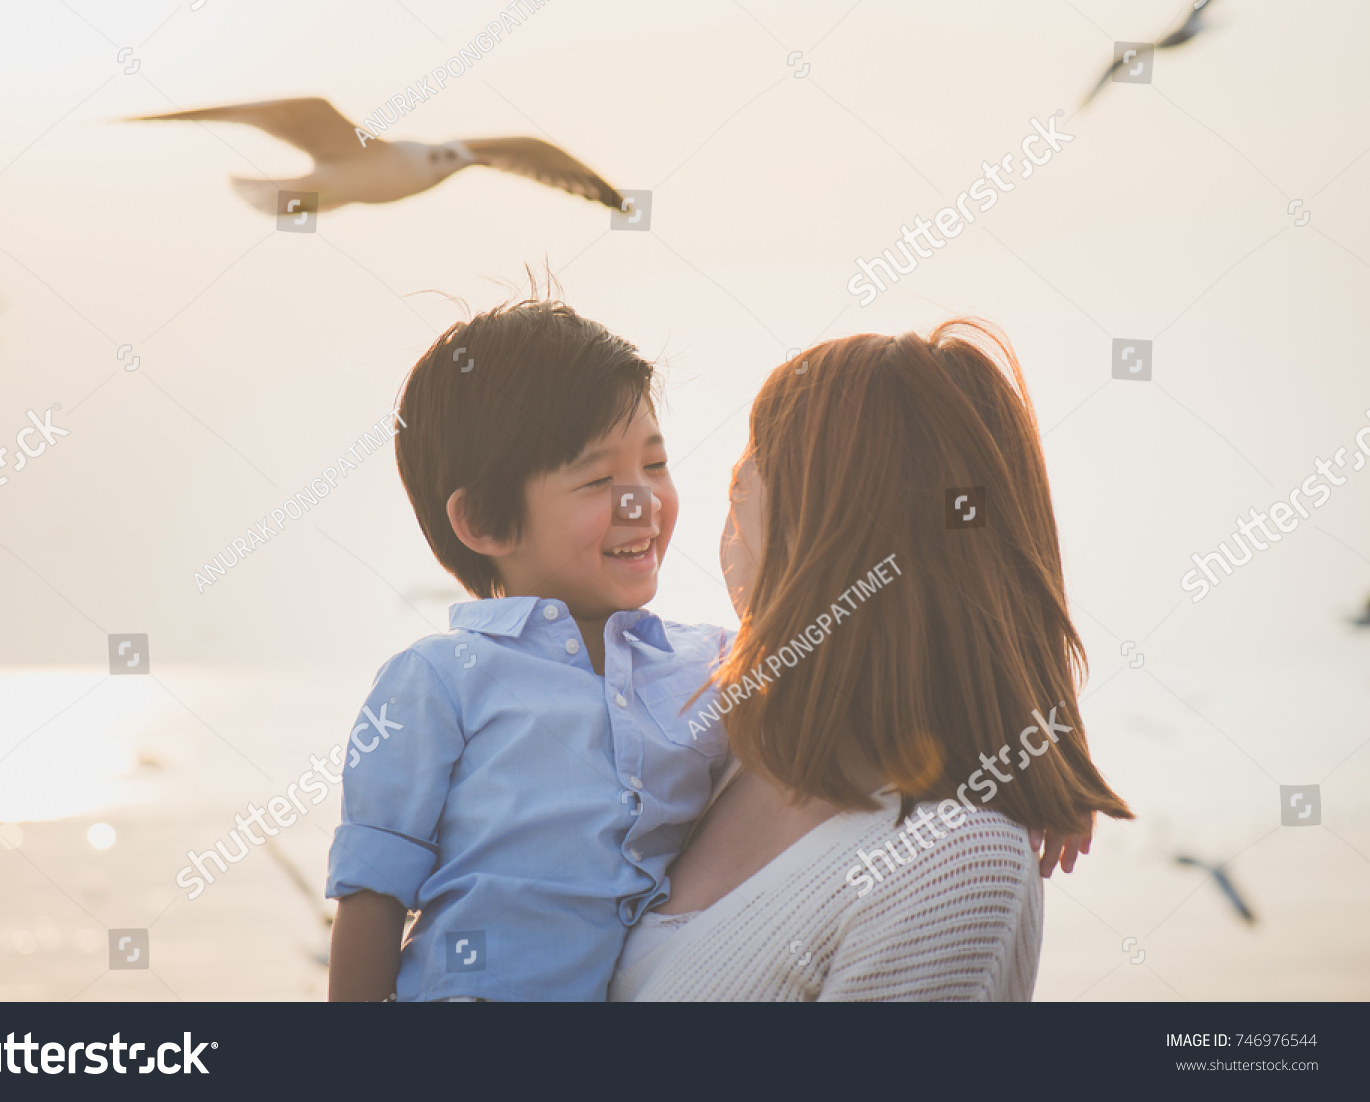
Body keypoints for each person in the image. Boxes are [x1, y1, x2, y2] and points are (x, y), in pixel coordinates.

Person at [610, 322, 1131, 1001]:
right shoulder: (715, 745)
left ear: (834, 530)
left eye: (760, 461)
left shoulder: (955, 863)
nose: (735, 484)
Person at [324, 296, 734, 1002]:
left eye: (655, 464)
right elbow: (372, 893)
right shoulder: (441, 681)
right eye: (598, 480)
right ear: (485, 521)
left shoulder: (713, 666)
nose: (641, 502)